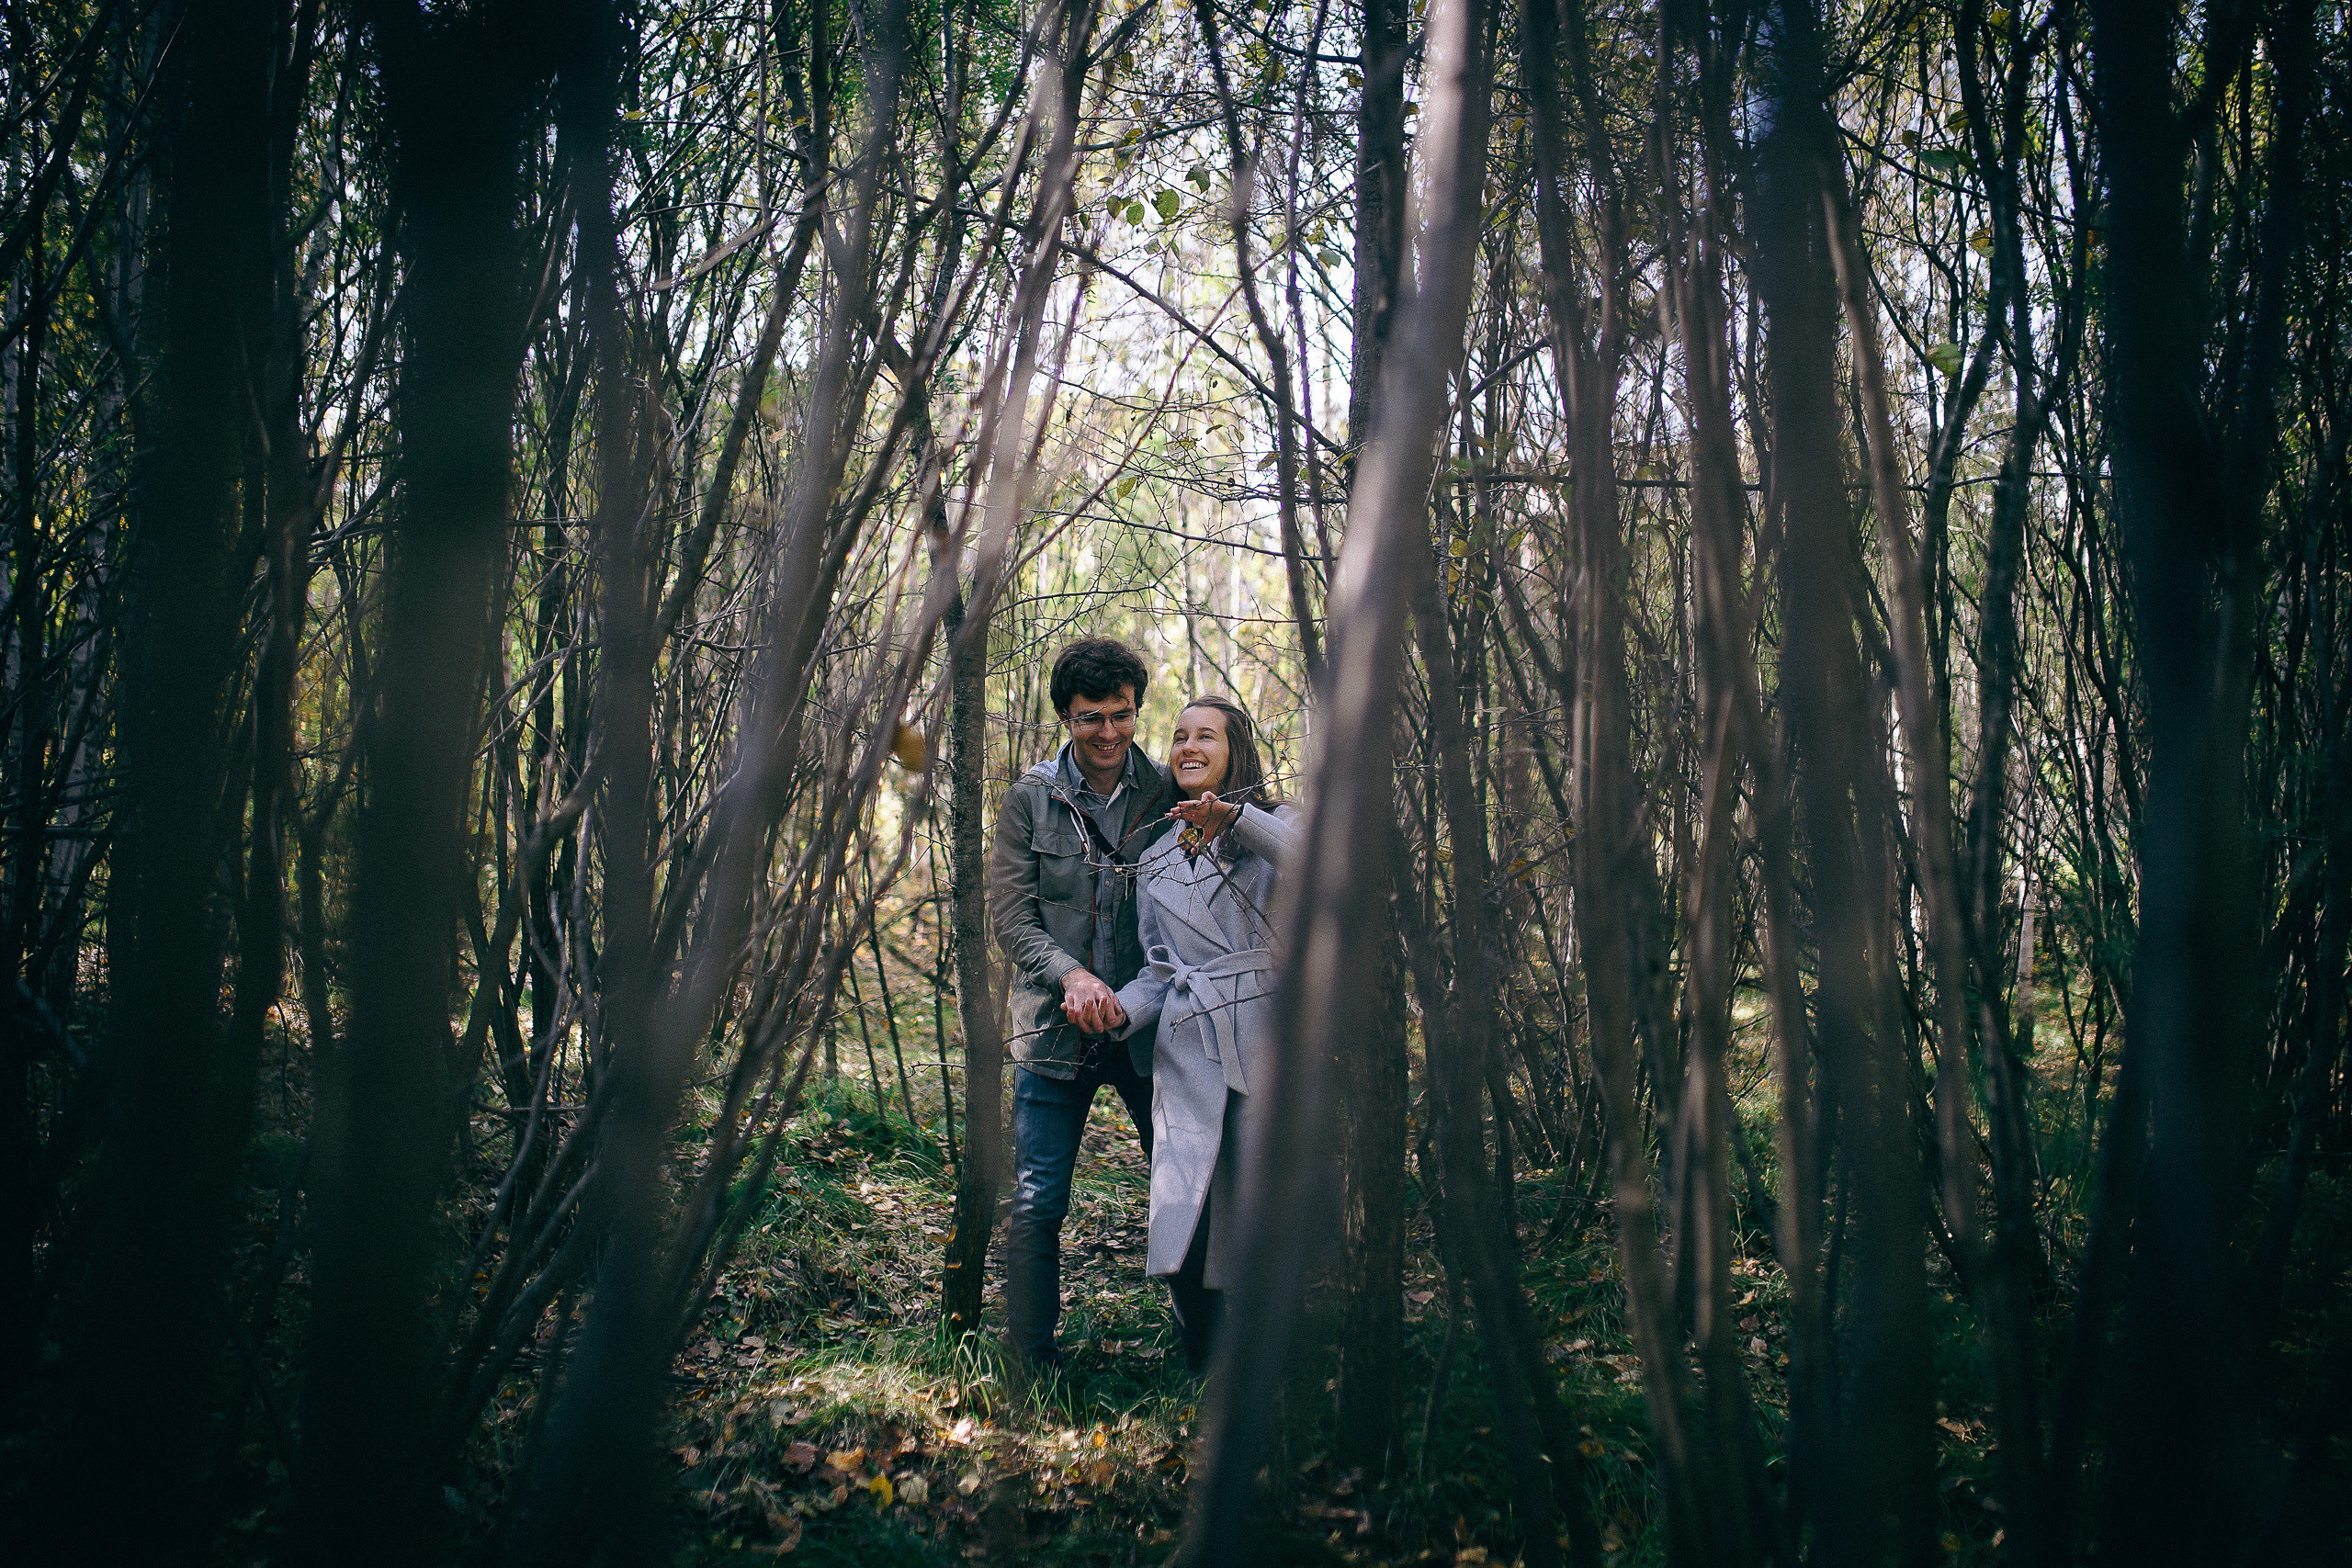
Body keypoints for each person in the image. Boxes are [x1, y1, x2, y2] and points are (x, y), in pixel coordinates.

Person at [987, 636, 1185, 1371]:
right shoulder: (1030, 799)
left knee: (1184, 1187)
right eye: (1091, 717)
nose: (1108, 732)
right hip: (1052, 1033)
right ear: (1066, 718)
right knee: (1038, 1199)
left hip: (1150, 1033)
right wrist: (1069, 975)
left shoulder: (1167, 792)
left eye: (1122, 714)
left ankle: (1205, 1350)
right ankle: (1031, 1366)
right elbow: (1012, 916)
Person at [1111, 695, 1298, 1373]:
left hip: (1264, 1034)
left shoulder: (1276, 823)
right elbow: (1157, 967)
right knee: (1185, 1203)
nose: (1189, 747)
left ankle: (1265, 1359)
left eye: (1207, 736)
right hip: (1188, 1040)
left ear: (1235, 750)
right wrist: (1118, 1011)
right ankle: (1201, 1358)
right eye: (1180, 736)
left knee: (1258, 1203)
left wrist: (1235, 819)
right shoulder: (1158, 855)